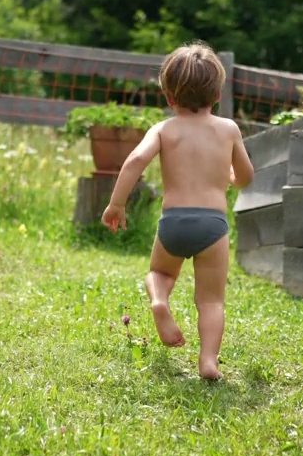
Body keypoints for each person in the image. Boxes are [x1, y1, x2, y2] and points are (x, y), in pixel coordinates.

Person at [101, 42, 255, 381]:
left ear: (169, 97)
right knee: (211, 301)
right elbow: (246, 177)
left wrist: (116, 204)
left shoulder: (164, 129)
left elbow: (136, 160)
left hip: (173, 222)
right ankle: (209, 361)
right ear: (217, 95)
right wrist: (232, 178)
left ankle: (159, 303)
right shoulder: (229, 129)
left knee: (161, 275)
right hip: (213, 226)